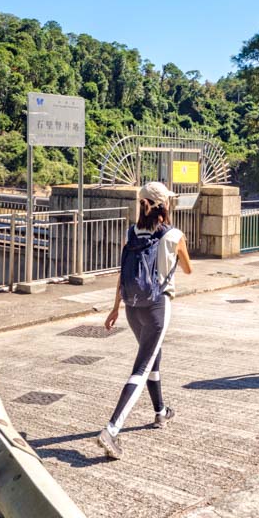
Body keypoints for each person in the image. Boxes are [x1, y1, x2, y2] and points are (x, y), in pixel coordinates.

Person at [97, 181, 192, 460]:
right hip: (157, 307)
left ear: (143, 205)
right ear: (164, 205)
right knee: (140, 368)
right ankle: (111, 430)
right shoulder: (174, 235)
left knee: (153, 357)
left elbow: (122, 271)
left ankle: (160, 411)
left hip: (131, 307)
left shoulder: (132, 232)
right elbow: (187, 269)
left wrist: (115, 308)